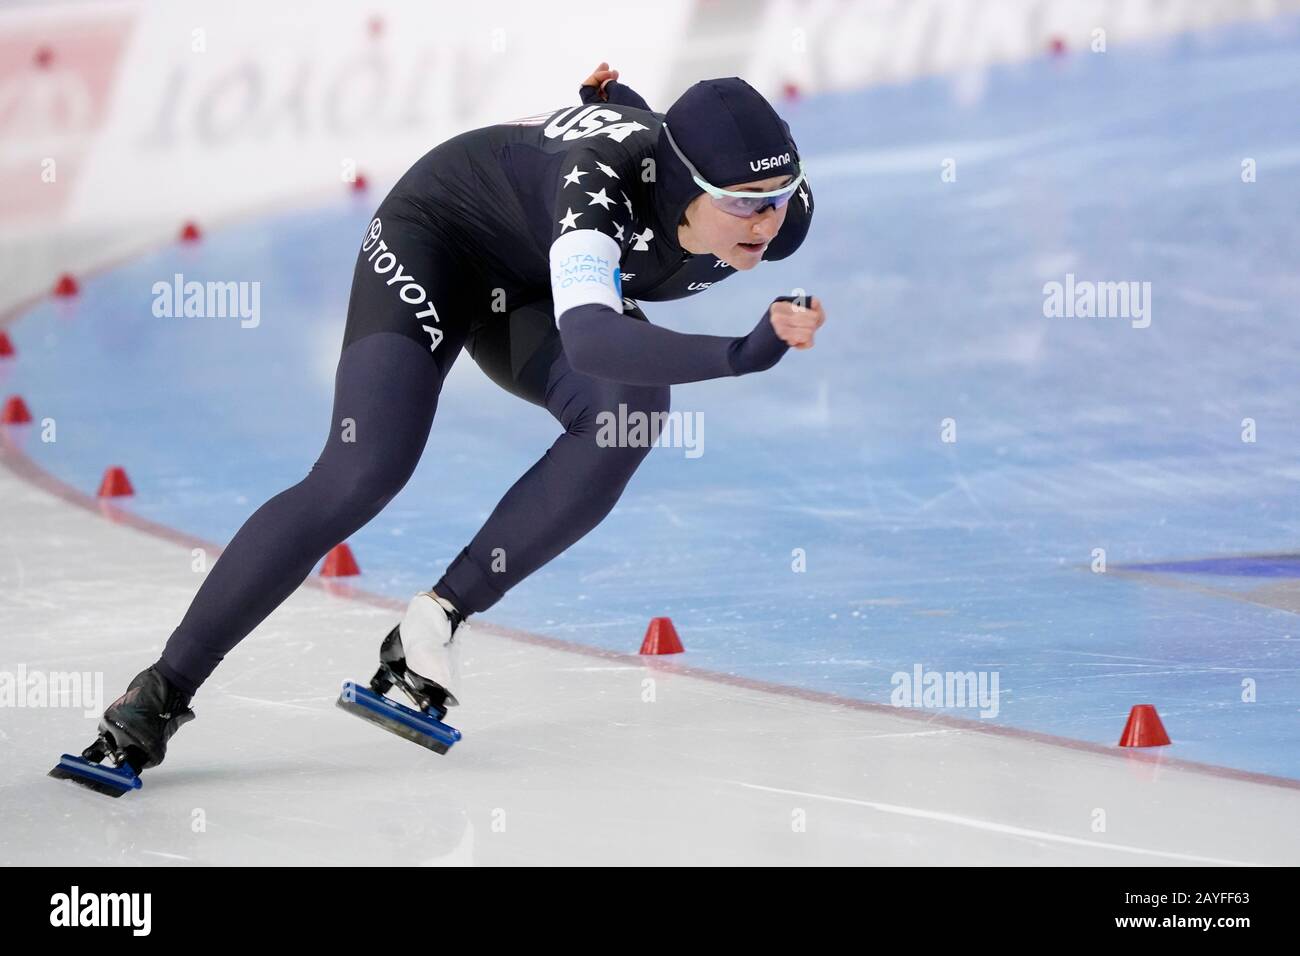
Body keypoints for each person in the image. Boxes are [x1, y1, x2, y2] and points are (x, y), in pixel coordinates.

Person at [72, 65, 825, 779]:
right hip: (439, 238)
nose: (766, 219)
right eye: (743, 200)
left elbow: (651, 133)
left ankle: (430, 626)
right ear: (685, 185)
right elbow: (593, 338)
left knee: (628, 412)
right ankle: (161, 692)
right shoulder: (595, 191)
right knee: (362, 472)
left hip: (533, 282)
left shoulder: (781, 216)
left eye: (780, 192)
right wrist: (742, 353)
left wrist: (613, 96)